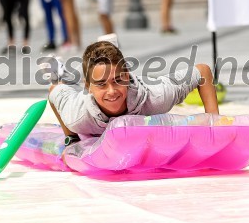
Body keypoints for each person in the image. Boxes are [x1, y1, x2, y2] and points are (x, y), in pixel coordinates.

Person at [47, 41, 219, 146]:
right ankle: (64, 73)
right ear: (89, 88)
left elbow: (202, 72)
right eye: (101, 85)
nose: (111, 91)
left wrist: (215, 126)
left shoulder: (156, 97)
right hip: (84, 95)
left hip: (135, 86)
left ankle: (112, 47)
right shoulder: (77, 117)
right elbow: (53, 91)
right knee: (63, 83)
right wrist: (72, 138)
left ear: (127, 77)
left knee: (109, 75)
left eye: (117, 81)